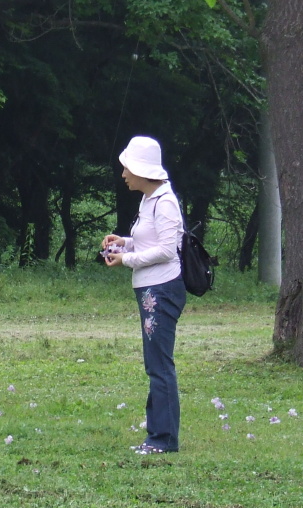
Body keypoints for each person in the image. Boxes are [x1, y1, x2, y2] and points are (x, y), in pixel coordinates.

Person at [101, 136, 186, 455]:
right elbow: (151, 241)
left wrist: (127, 260)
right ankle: (158, 434)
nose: (123, 174)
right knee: (155, 363)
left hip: (161, 290)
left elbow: (166, 250)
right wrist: (125, 242)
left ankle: (163, 440)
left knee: (159, 364)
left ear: (140, 169)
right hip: (151, 287)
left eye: (126, 168)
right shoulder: (150, 199)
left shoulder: (164, 201)